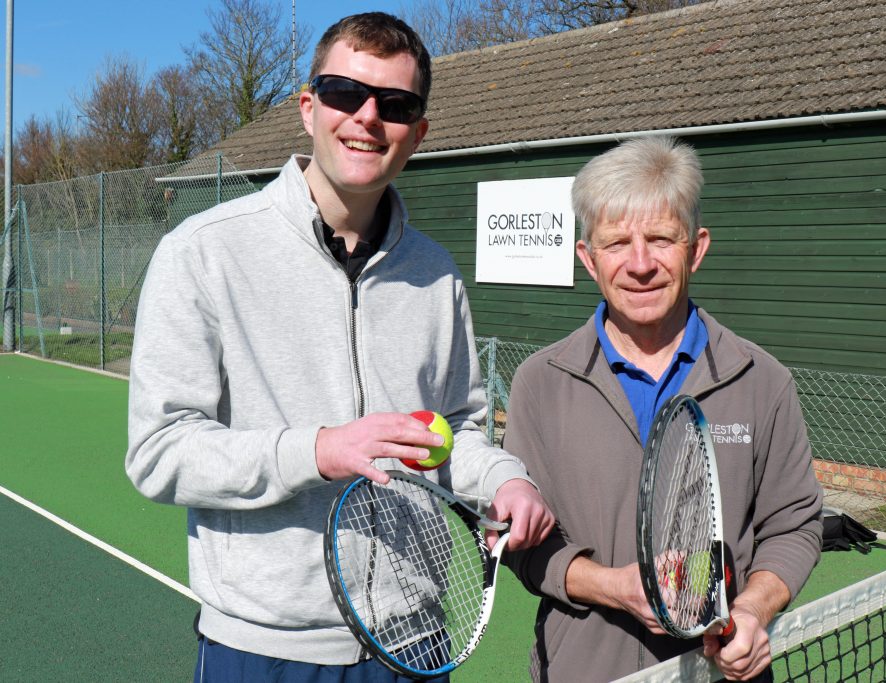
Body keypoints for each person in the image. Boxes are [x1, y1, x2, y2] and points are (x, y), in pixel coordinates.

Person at [126, 12, 553, 682]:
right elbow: (160, 452)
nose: (366, 117)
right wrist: (318, 449)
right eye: (345, 93)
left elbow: (456, 430)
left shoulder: (436, 273)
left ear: (417, 134)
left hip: (414, 642)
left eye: (396, 104)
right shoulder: (203, 253)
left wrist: (505, 478)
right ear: (308, 107)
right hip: (263, 649)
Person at [504, 137, 822, 682]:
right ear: (588, 258)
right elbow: (521, 546)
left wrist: (751, 610)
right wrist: (612, 586)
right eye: (616, 243)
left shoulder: (761, 379)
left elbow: (795, 526)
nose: (641, 264)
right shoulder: (540, 383)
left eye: (660, 239)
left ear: (696, 248)